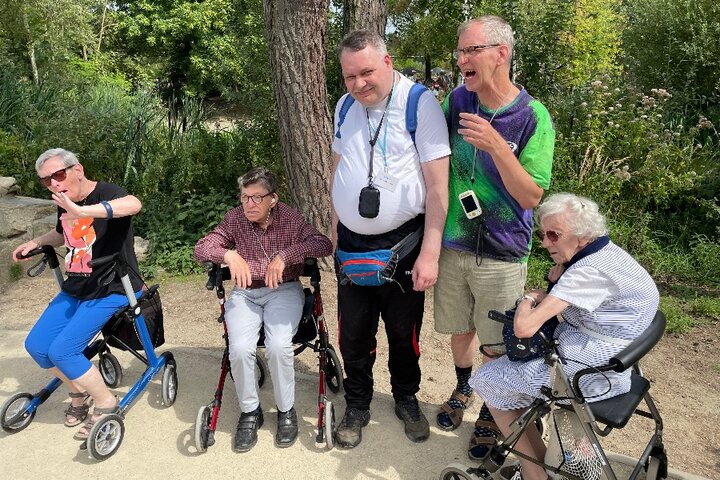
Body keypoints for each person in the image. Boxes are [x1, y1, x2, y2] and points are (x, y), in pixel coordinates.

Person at [432, 15, 556, 461]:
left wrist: (498, 147)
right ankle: (464, 389)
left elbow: (531, 195)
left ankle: (492, 409)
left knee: (494, 343)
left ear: (500, 53)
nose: (461, 59)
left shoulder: (532, 116)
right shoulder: (457, 100)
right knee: (460, 330)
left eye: (471, 51)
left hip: (503, 253)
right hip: (454, 244)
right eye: (460, 51)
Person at [470, 193, 660, 480]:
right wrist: (556, 284)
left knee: (487, 381)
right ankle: (541, 457)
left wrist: (528, 298)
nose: (545, 243)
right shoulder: (608, 253)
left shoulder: (586, 272)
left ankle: (534, 473)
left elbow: (525, 328)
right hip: (615, 355)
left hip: (593, 371)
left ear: (582, 235)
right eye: (543, 234)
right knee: (512, 376)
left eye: (554, 235)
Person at [331, 29, 450, 448]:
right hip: (350, 245)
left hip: (404, 245)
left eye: (366, 72)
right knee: (352, 334)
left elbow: (438, 188)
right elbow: (338, 170)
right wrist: (334, 229)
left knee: (404, 332)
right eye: (349, 76)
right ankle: (358, 404)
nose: (359, 84)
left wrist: (431, 252)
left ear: (387, 62)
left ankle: (406, 398)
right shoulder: (345, 106)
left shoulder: (419, 104)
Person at [193, 167, 332, 452]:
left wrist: (286, 255)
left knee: (279, 346)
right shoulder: (234, 219)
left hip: (284, 290)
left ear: (273, 199)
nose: (250, 204)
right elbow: (201, 248)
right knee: (241, 348)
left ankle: (286, 410)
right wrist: (228, 254)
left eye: (257, 198)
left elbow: (323, 243)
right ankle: (250, 412)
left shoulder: (290, 218)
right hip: (246, 294)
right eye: (245, 197)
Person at [12, 147, 143, 440]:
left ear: (78, 170)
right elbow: (63, 232)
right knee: (37, 346)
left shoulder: (107, 191)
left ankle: (107, 402)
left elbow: (133, 204)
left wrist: (83, 211)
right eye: (46, 180)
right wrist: (36, 242)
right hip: (79, 286)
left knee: (63, 350)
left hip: (113, 285)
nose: (54, 183)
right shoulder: (65, 201)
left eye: (58, 175)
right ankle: (78, 392)